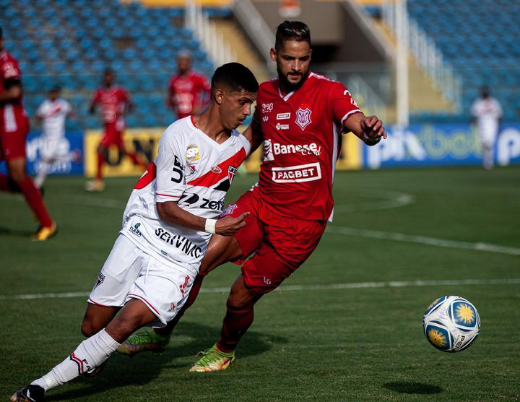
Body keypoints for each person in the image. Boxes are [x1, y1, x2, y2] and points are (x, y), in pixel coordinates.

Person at [117, 21, 387, 372]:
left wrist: (369, 129)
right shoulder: (265, 95)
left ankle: (224, 349)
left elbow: (358, 122)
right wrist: (203, 166)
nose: (296, 66)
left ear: (310, 56)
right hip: (260, 203)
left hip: (302, 224)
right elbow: (246, 142)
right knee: (196, 261)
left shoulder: (330, 92)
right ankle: (161, 332)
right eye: (288, 58)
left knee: (240, 296)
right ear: (274, 54)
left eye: (303, 58)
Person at [10, 62, 258, 401]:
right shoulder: (178, 135)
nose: (247, 111)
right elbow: (166, 208)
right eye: (242, 102)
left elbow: (269, 120)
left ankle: (39, 387)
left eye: (252, 104)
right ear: (219, 96)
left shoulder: (239, 146)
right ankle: (94, 353)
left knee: (125, 324)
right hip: (143, 234)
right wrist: (216, 225)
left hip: (181, 260)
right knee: (91, 326)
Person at [0, 26, 57, 240]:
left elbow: (15, 91)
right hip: (2, 123)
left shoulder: (6, 61)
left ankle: (47, 224)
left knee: (17, 174)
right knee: (19, 180)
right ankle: (32, 191)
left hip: (11, 123)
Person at [86, 68, 147, 192]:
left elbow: (131, 106)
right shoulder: (100, 92)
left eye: (110, 76)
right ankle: (147, 169)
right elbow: (92, 108)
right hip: (107, 126)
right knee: (123, 150)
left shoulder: (120, 92)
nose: (108, 78)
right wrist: (93, 106)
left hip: (116, 126)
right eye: (106, 76)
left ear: (113, 77)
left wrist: (123, 112)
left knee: (100, 149)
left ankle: (98, 181)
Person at [33, 86, 74, 188]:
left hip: (56, 136)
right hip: (46, 136)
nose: (53, 94)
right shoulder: (44, 105)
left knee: (45, 158)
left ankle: (37, 183)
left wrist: (71, 115)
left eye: (55, 92)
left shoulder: (63, 104)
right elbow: (38, 117)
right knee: (50, 159)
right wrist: (38, 118)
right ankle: (71, 156)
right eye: (52, 92)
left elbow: (71, 113)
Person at [167, 52, 211, 120]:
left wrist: (201, 105)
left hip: (194, 117)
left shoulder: (199, 78)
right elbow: (171, 97)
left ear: (189, 62)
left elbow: (210, 92)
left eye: (184, 60)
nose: (182, 63)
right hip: (179, 117)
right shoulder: (173, 80)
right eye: (180, 61)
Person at [471, 87, 502, 170]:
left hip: (491, 123)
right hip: (481, 123)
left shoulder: (494, 102)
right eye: (483, 92)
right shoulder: (478, 102)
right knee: (483, 143)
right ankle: (487, 162)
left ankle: (488, 163)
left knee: (489, 144)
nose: (483, 93)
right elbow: (474, 114)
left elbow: (499, 114)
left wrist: (499, 125)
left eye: (484, 92)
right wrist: (473, 122)